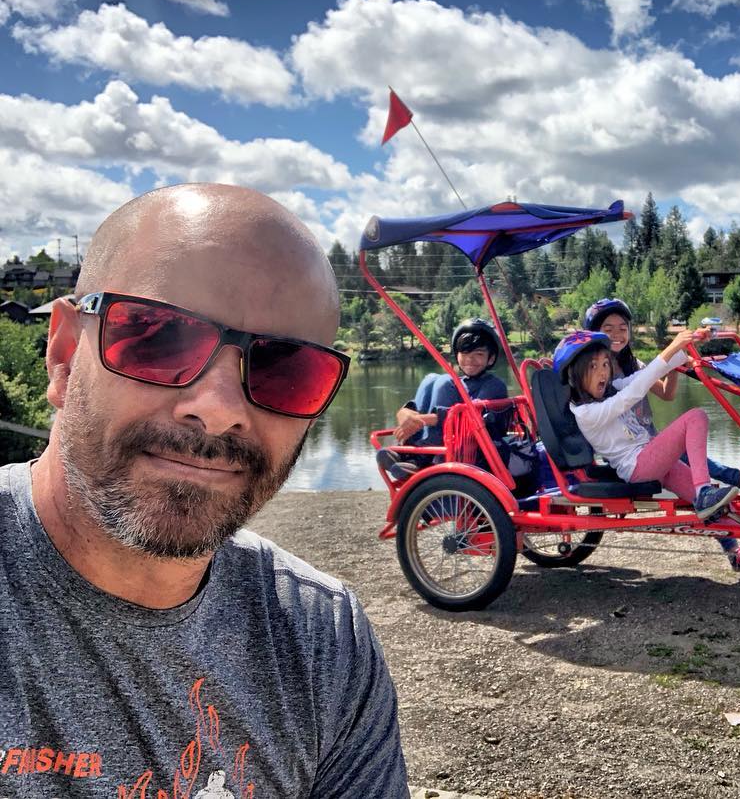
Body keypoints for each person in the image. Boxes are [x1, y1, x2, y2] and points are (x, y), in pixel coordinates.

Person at [0, 184, 409, 797]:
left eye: (286, 369)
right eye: (159, 337)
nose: (219, 411)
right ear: (62, 356)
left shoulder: (324, 639)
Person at [553, 328, 740, 582]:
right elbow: (633, 394)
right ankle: (704, 493)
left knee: (721, 507)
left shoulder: (611, 387)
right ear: (575, 375)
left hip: (654, 461)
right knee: (695, 418)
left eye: (605, 365)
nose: (602, 372)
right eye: (592, 367)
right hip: (637, 468)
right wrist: (671, 348)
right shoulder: (585, 414)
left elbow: (636, 380)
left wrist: (688, 347)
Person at [582, 298, 740, 576]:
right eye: (608, 328)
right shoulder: (596, 375)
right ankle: (722, 485)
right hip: (636, 456)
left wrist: (673, 366)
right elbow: (634, 388)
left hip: (648, 446)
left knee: (716, 502)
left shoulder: (630, 363)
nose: (616, 334)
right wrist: (672, 352)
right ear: (594, 334)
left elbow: (666, 393)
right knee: (694, 423)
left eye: (622, 328)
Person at [377, 318, 510, 480]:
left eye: (479, 354)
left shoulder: (494, 385)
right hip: (442, 437)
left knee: (444, 380)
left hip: (467, 446)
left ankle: (422, 459)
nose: (470, 360)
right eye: (465, 353)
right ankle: (412, 455)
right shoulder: (457, 382)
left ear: (491, 358)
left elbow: (469, 419)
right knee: (432, 378)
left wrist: (422, 420)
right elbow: (414, 410)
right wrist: (406, 414)